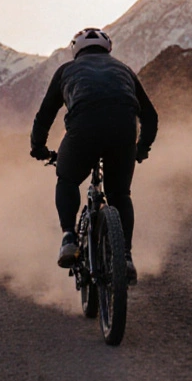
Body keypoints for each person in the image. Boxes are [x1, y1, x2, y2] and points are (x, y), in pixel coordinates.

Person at [30, 27, 158, 284]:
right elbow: (150, 116)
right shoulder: (124, 70)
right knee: (119, 194)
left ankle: (68, 238)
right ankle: (126, 258)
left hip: (83, 130)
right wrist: (141, 149)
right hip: (123, 132)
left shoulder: (66, 70)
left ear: (76, 50)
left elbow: (44, 116)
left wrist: (39, 149)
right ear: (107, 48)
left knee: (67, 179)